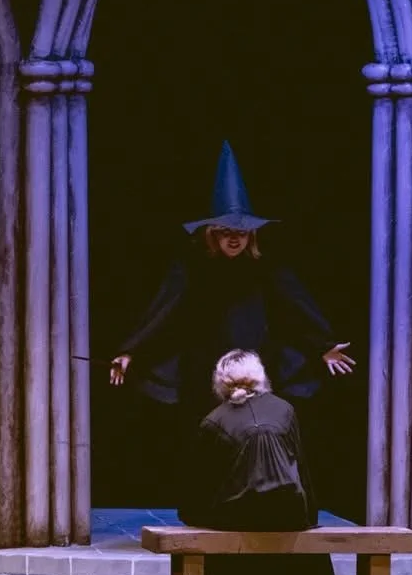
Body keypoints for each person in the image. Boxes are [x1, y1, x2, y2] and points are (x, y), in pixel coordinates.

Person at [107, 142, 355, 426]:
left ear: (252, 235)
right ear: (212, 234)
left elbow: (297, 306)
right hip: (203, 373)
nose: (234, 239)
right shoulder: (191, 268)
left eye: (242, 232)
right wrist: (132, 350)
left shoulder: (268, 268)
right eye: (226, 232)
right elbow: (162, 311)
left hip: (256, 369)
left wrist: (322, 345)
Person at [179, 349, 341, 575]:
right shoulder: (285, 409)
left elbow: (203, 481)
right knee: (283, 510)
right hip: (288, 511)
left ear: (221, 381)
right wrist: (309, 514)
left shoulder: (214, 420)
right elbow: (301, 467)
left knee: (210, 514)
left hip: (237, 514)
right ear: (260, 376)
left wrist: (189, 514)